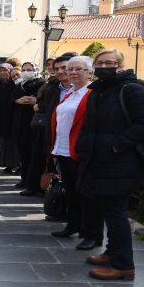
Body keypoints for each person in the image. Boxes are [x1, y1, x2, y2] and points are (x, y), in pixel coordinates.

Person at [77, 49, 144, 281]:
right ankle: (112, 252)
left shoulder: (132, 90)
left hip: (121, 163)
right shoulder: (98, 91)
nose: (103, 66)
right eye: (99, 63)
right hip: (99, 161)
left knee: (116, 213)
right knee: (108, 211)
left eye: (109, 63)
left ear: (120, 66)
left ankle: (123, 265)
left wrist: (118, 145)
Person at [49, 56, 94, 247]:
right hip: (63, 150)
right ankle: (73, 224)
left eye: (78, 69)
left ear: (90, 72)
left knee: (86, 194)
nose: (72, 72)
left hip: (80, 152)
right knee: (72, 193)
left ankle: (91, 234)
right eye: (70, 69)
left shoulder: (91, 93)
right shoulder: (71, 93)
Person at [20, 54, 75, 197]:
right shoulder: (53, 88)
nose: (61, 71)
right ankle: (41, 188)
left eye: (65, 67)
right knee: (41, 158)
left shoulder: (80, 89)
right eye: (57, 68)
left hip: (72, 135)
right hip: (49, 130)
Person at [12, 62, 46, 188]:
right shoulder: (20, 83)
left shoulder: (41, 83)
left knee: (33, 155)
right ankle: (24, 179)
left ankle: (33, 183)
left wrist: (34, 101)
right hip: (20, 123)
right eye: (24, 69)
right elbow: (13, 99)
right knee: (23, 154)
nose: (26, 72)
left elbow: (41, 99)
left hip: (33, 123)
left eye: (29, 69)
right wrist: (17, 100)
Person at [0, 63, 20, 173]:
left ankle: (14, 164)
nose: (2, 72)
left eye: (5, 70)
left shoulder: (14, 84)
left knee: (12, 141)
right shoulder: (0, 84)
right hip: (2, 117)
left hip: (13, 116)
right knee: (5, 141)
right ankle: (7, 163)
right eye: (0, 70)